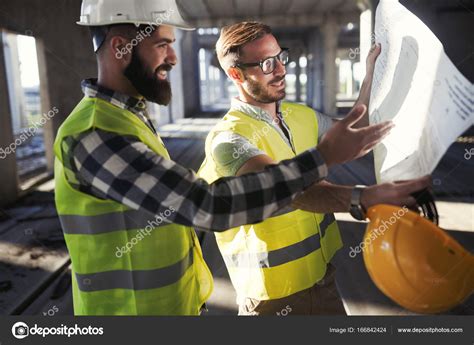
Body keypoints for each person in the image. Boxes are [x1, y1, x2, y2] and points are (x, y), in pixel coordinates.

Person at [198, 21, 431, 315]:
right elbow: (287, 191)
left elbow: (355, 129)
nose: (281, 70)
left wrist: (373, 72)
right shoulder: (228, 139)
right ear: (236, 73)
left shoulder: (301, 116)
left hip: (322, 280)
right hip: (272, 298)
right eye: (267, 64)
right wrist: (363, 198)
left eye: (281, 57)